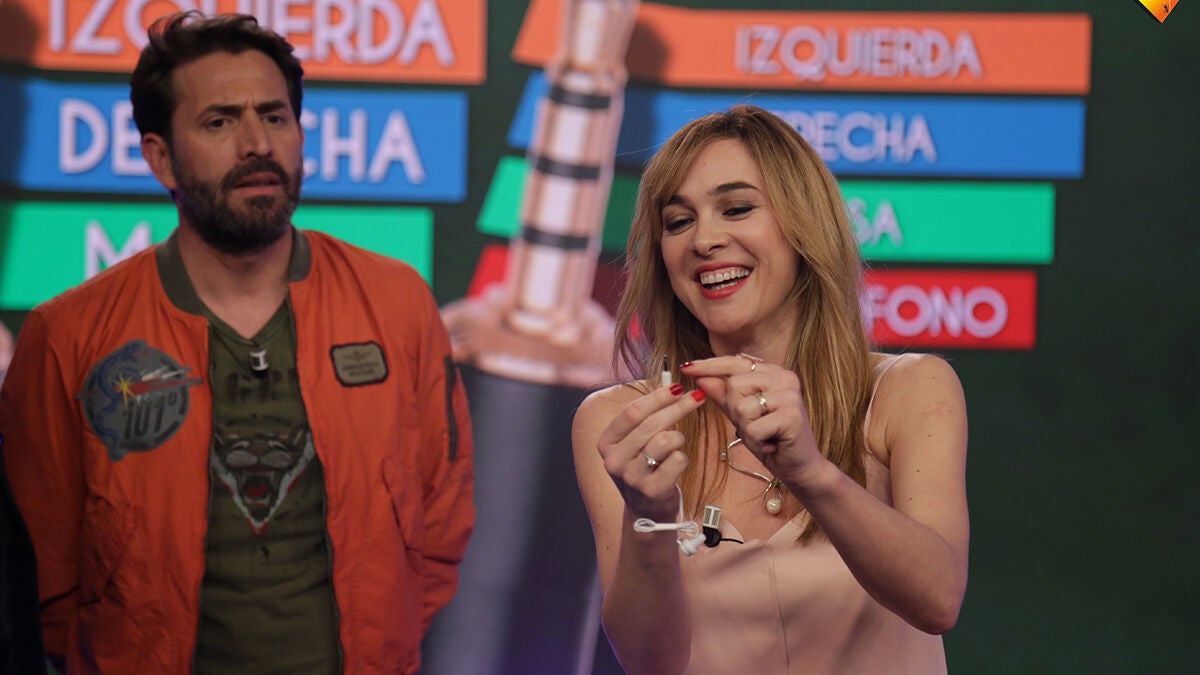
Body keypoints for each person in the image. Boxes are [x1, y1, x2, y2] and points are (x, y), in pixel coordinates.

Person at [0, 12, 473, 674]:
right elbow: (38, 574)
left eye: (275, 117)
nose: (257, 144)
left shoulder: (396, 302)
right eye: (219, 122)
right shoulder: (68, 335)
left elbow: (440, 525)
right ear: (160, 156)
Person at [572, 105, 969, 674]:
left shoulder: (908, 388)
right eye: (678, 222)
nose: (705, 239)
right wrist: (649, 513)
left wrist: (811, 473)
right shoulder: (622, 421)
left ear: (803, 225)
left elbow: (937, 600)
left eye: (737, 209)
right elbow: (650, 662)